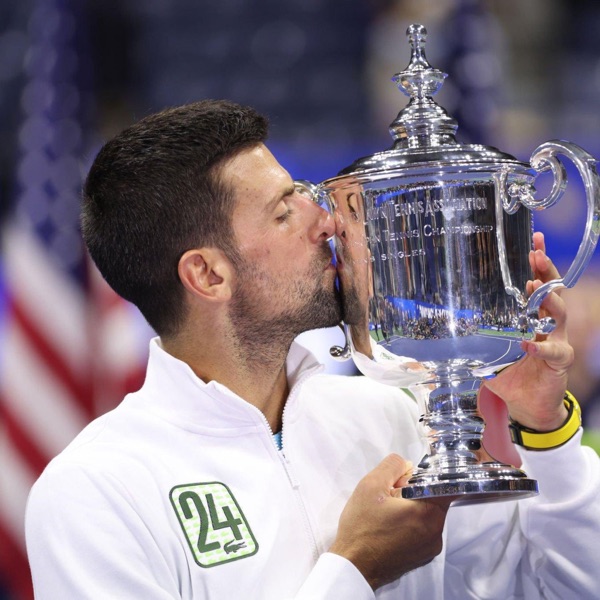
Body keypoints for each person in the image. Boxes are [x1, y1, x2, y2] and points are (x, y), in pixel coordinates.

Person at [25, 100, 600, 599]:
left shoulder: (390, 412)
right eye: (283, 212)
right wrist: (355, 571)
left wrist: (547, 431)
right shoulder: (96, 491)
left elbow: (565, 590)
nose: (326, 222)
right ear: (208, 275)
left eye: (304, 194)